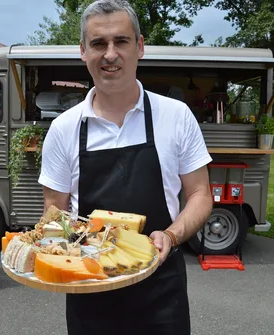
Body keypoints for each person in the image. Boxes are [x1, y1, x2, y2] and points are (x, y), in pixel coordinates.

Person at [38, 1, 213, 334]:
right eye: (98, 44)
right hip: (88, 290)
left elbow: (201, 193)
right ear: (83, 51)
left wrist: (172, 236)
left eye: (121, 41)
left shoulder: (175, 117)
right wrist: (47, 244)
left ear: (140, 46)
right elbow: (54, 210)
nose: (110, 54)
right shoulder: (63, 129)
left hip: (162, 293)